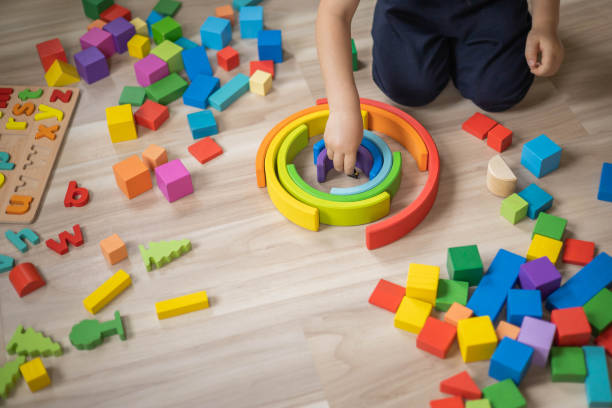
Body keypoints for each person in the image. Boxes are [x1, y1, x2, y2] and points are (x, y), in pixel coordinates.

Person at [316, 0, 563, 175]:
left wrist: (545, 23)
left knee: (499, 91)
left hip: (491, 8)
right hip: (409, 10)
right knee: (407, 87)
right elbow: (334, 13)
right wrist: (343, 109)